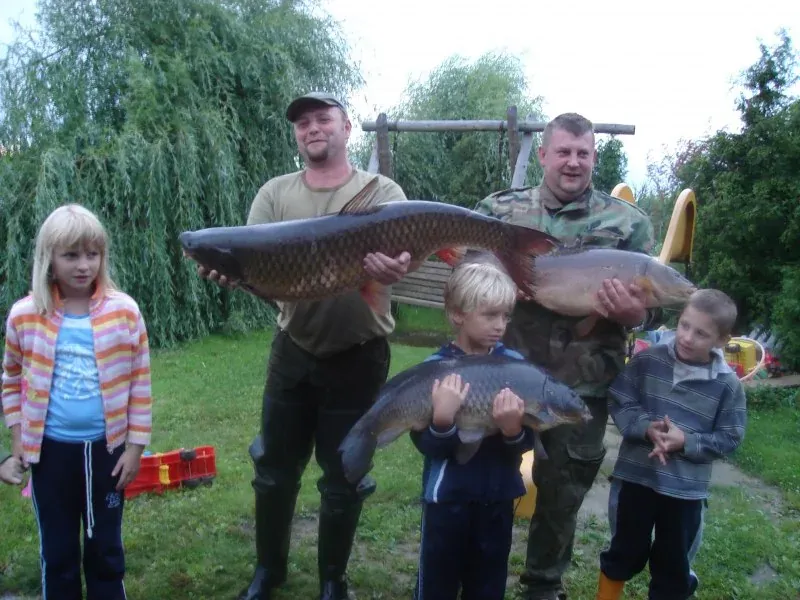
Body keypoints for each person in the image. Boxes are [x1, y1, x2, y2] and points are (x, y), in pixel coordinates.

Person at [197, 91, 410, 600]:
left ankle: (333, 580)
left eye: (323, 119)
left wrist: (397, 270)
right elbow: (255, 267)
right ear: (297, 134)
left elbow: (406, 258)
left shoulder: (383, 191)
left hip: (360, 352)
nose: (313, 128)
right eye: (303, 123)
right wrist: (232, 274)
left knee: (345, 470)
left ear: (346, 127)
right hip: (294, 347)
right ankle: (269, 570)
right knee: (274, 467)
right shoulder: (274, 195)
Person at [473, 112, 661, 600]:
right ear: (543, 155)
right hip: (502, 373)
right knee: (483, 477)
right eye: (563, 152)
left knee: (561, 495)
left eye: (583, 153)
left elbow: (656, 308)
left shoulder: (628, 224)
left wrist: (635, 314)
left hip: (583, 382)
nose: (573, 162)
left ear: (594, 157)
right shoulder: (498, 210)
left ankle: (542, 586)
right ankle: (474, 575)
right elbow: (467, 275)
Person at [1, 204, 153, 599]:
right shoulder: (24, 316)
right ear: (48, 260)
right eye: (70, 255)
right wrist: (18, 437)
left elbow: (140, 382)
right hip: (50, 454)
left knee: (105, 548)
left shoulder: (125, 312)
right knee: (59, 551)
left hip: (108, 453)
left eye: (92, 254)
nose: (83, 265)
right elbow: (11, 378)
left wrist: (135, 449)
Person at [596, 289, 747, 600]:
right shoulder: (648, 360)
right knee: (623, 552)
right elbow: (620, 398)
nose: (688, 337)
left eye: (701, 333)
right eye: (684, 325)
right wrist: (644, 427)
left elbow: (730, 437)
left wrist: (685, 442)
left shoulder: (726, 384)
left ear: (721, 340)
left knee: (673, 567)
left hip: (685, 492)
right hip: (637, 479)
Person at [409, 259, 535, 600]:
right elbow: (428, 446)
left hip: (498, 499)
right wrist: (442, 421)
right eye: (490, 315)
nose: (500, 325)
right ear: (457, 314)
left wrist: (512, 431)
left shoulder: (517, 370)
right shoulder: (434, 371)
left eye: (505, 316)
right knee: (437, 583)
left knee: (488, 584)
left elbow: (527, 440)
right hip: (447, 499)